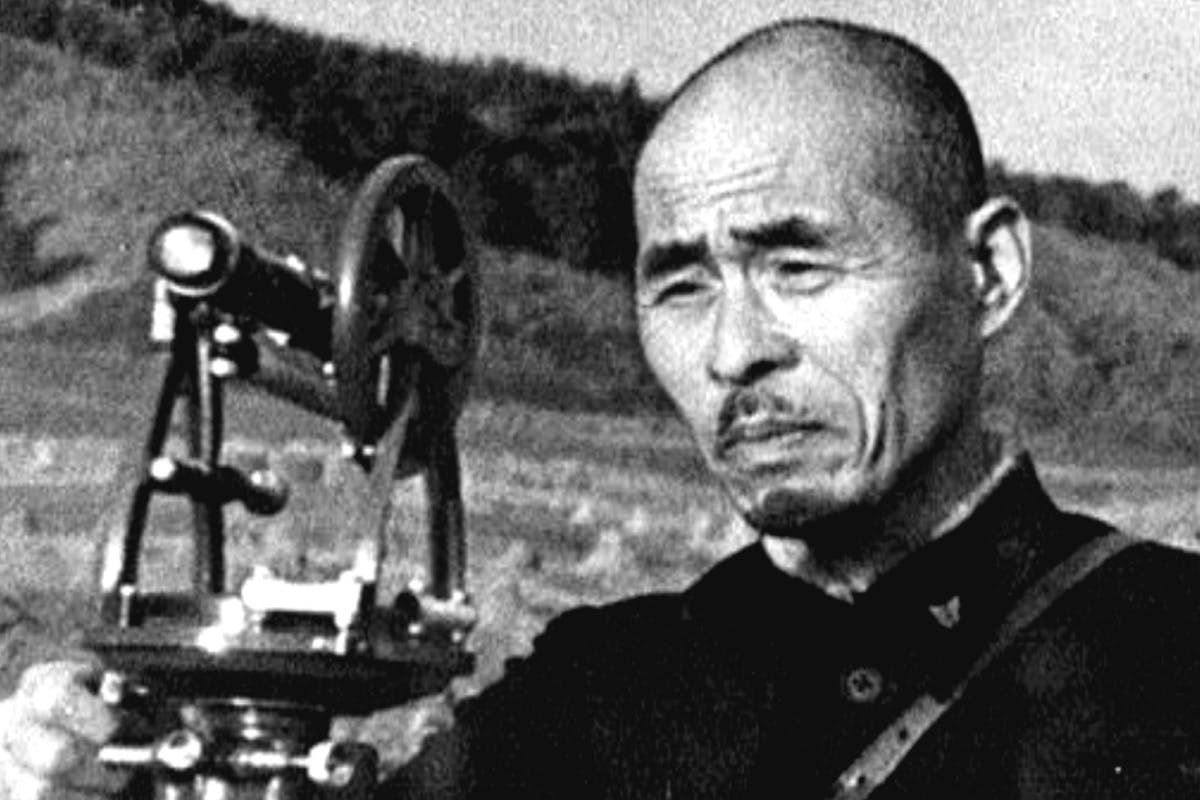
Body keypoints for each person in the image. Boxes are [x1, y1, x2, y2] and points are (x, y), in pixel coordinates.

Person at [4, 16, 1200, 800]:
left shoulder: (1171, 649)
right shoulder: (595, 690)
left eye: (799, 264)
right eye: (681, 284)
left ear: (987, 272)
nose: (733, 349)